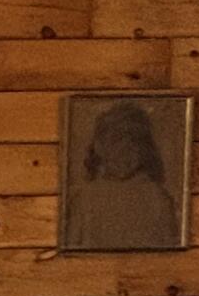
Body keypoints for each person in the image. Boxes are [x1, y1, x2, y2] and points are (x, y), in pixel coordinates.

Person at [65, 98, 184, 251]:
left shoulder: (158, 200)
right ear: (99, 146)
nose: (123, 150)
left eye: (133, 142)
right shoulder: (84, 200)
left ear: (144, 149)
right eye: (116, 141)